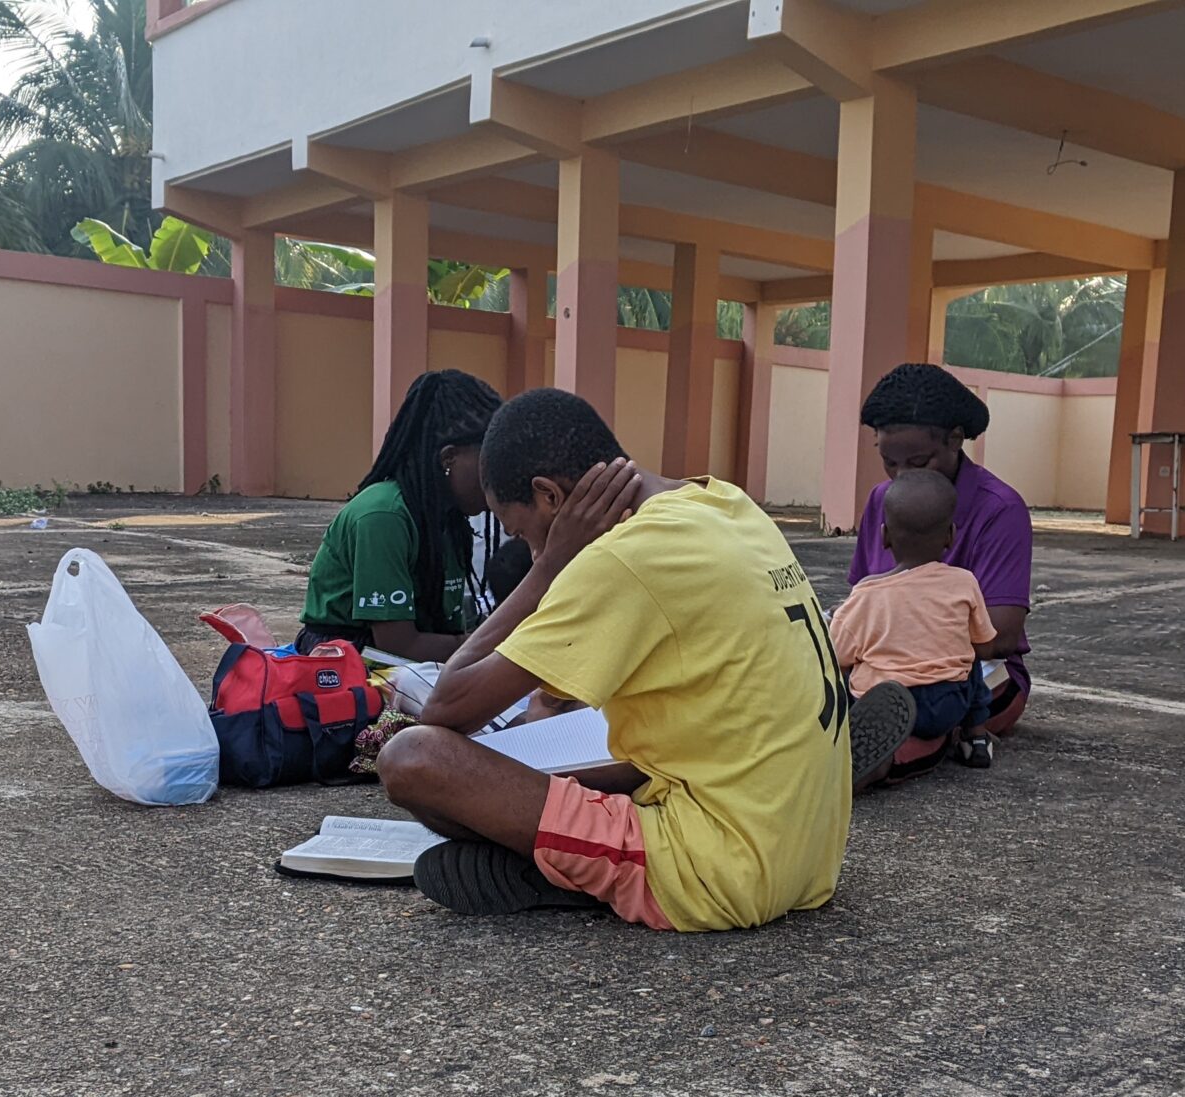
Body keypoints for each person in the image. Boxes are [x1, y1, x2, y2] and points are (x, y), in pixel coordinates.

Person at [375, 388, 916, 931]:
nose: (529, 550)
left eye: (521, 533)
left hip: (717, 874)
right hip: (808, 853)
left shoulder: (621, 557)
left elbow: (445, 709)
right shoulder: (724, 502)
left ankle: (565, 870)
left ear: (549, 498)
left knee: (414, 760)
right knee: (602, 729)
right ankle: (569, 849)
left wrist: (549, 568)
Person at [845, 364, 1034, 734]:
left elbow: (1000, 636)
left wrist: (901, 649)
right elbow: (862, 595)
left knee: (931, 708)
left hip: (973, 672)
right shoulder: (884, 500)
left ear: (955, 439)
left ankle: (898, 751)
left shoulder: (999, 508)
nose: (902, 476)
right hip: (885, 665)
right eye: (889, 462)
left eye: (918, 462)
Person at [296, 370, 503, 662]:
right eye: (490, 464)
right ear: (448, 458)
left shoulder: (448, 520)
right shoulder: (384, 516)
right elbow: (398, 646)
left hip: (411, 663)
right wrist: (494, 648)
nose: (499, 479)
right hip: (346, 663)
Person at [829, 469, 998, 771]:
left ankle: (850, 741)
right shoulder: (963, 582)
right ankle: (974, 737)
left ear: (884, 536)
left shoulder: (866, 594)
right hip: (948, 704)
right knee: (969, 656)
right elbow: (986, 648)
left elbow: (838, 657)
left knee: (851, 671)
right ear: (950, 536)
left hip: (886, 701)